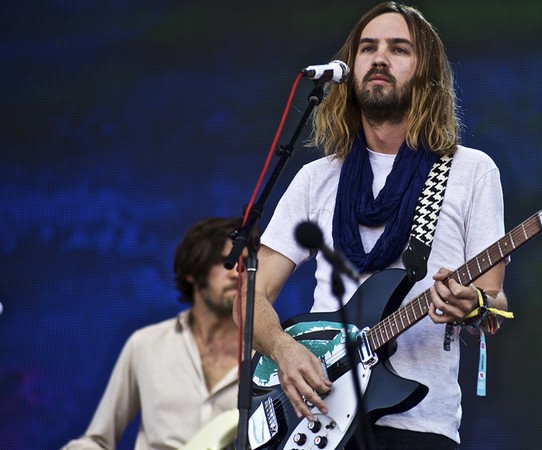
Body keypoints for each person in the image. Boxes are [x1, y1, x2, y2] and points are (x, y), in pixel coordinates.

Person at [242, 2, 510, 449]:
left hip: (420, 426)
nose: (379, 58)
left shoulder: (471, 172)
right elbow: (250, 295)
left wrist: (475, 305)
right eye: (368, 48)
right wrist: (283, 350)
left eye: (399, 49)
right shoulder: (317, 177)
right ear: (351, 68)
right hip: (320, 421)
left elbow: (494, 304)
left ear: (426, 76)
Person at [64, 217, 243, 450]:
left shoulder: (267, 358)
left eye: (246, 264)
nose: (237, 274)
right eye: (226, 263)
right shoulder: (146, 344)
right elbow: (97, 440)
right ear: (192, 270)